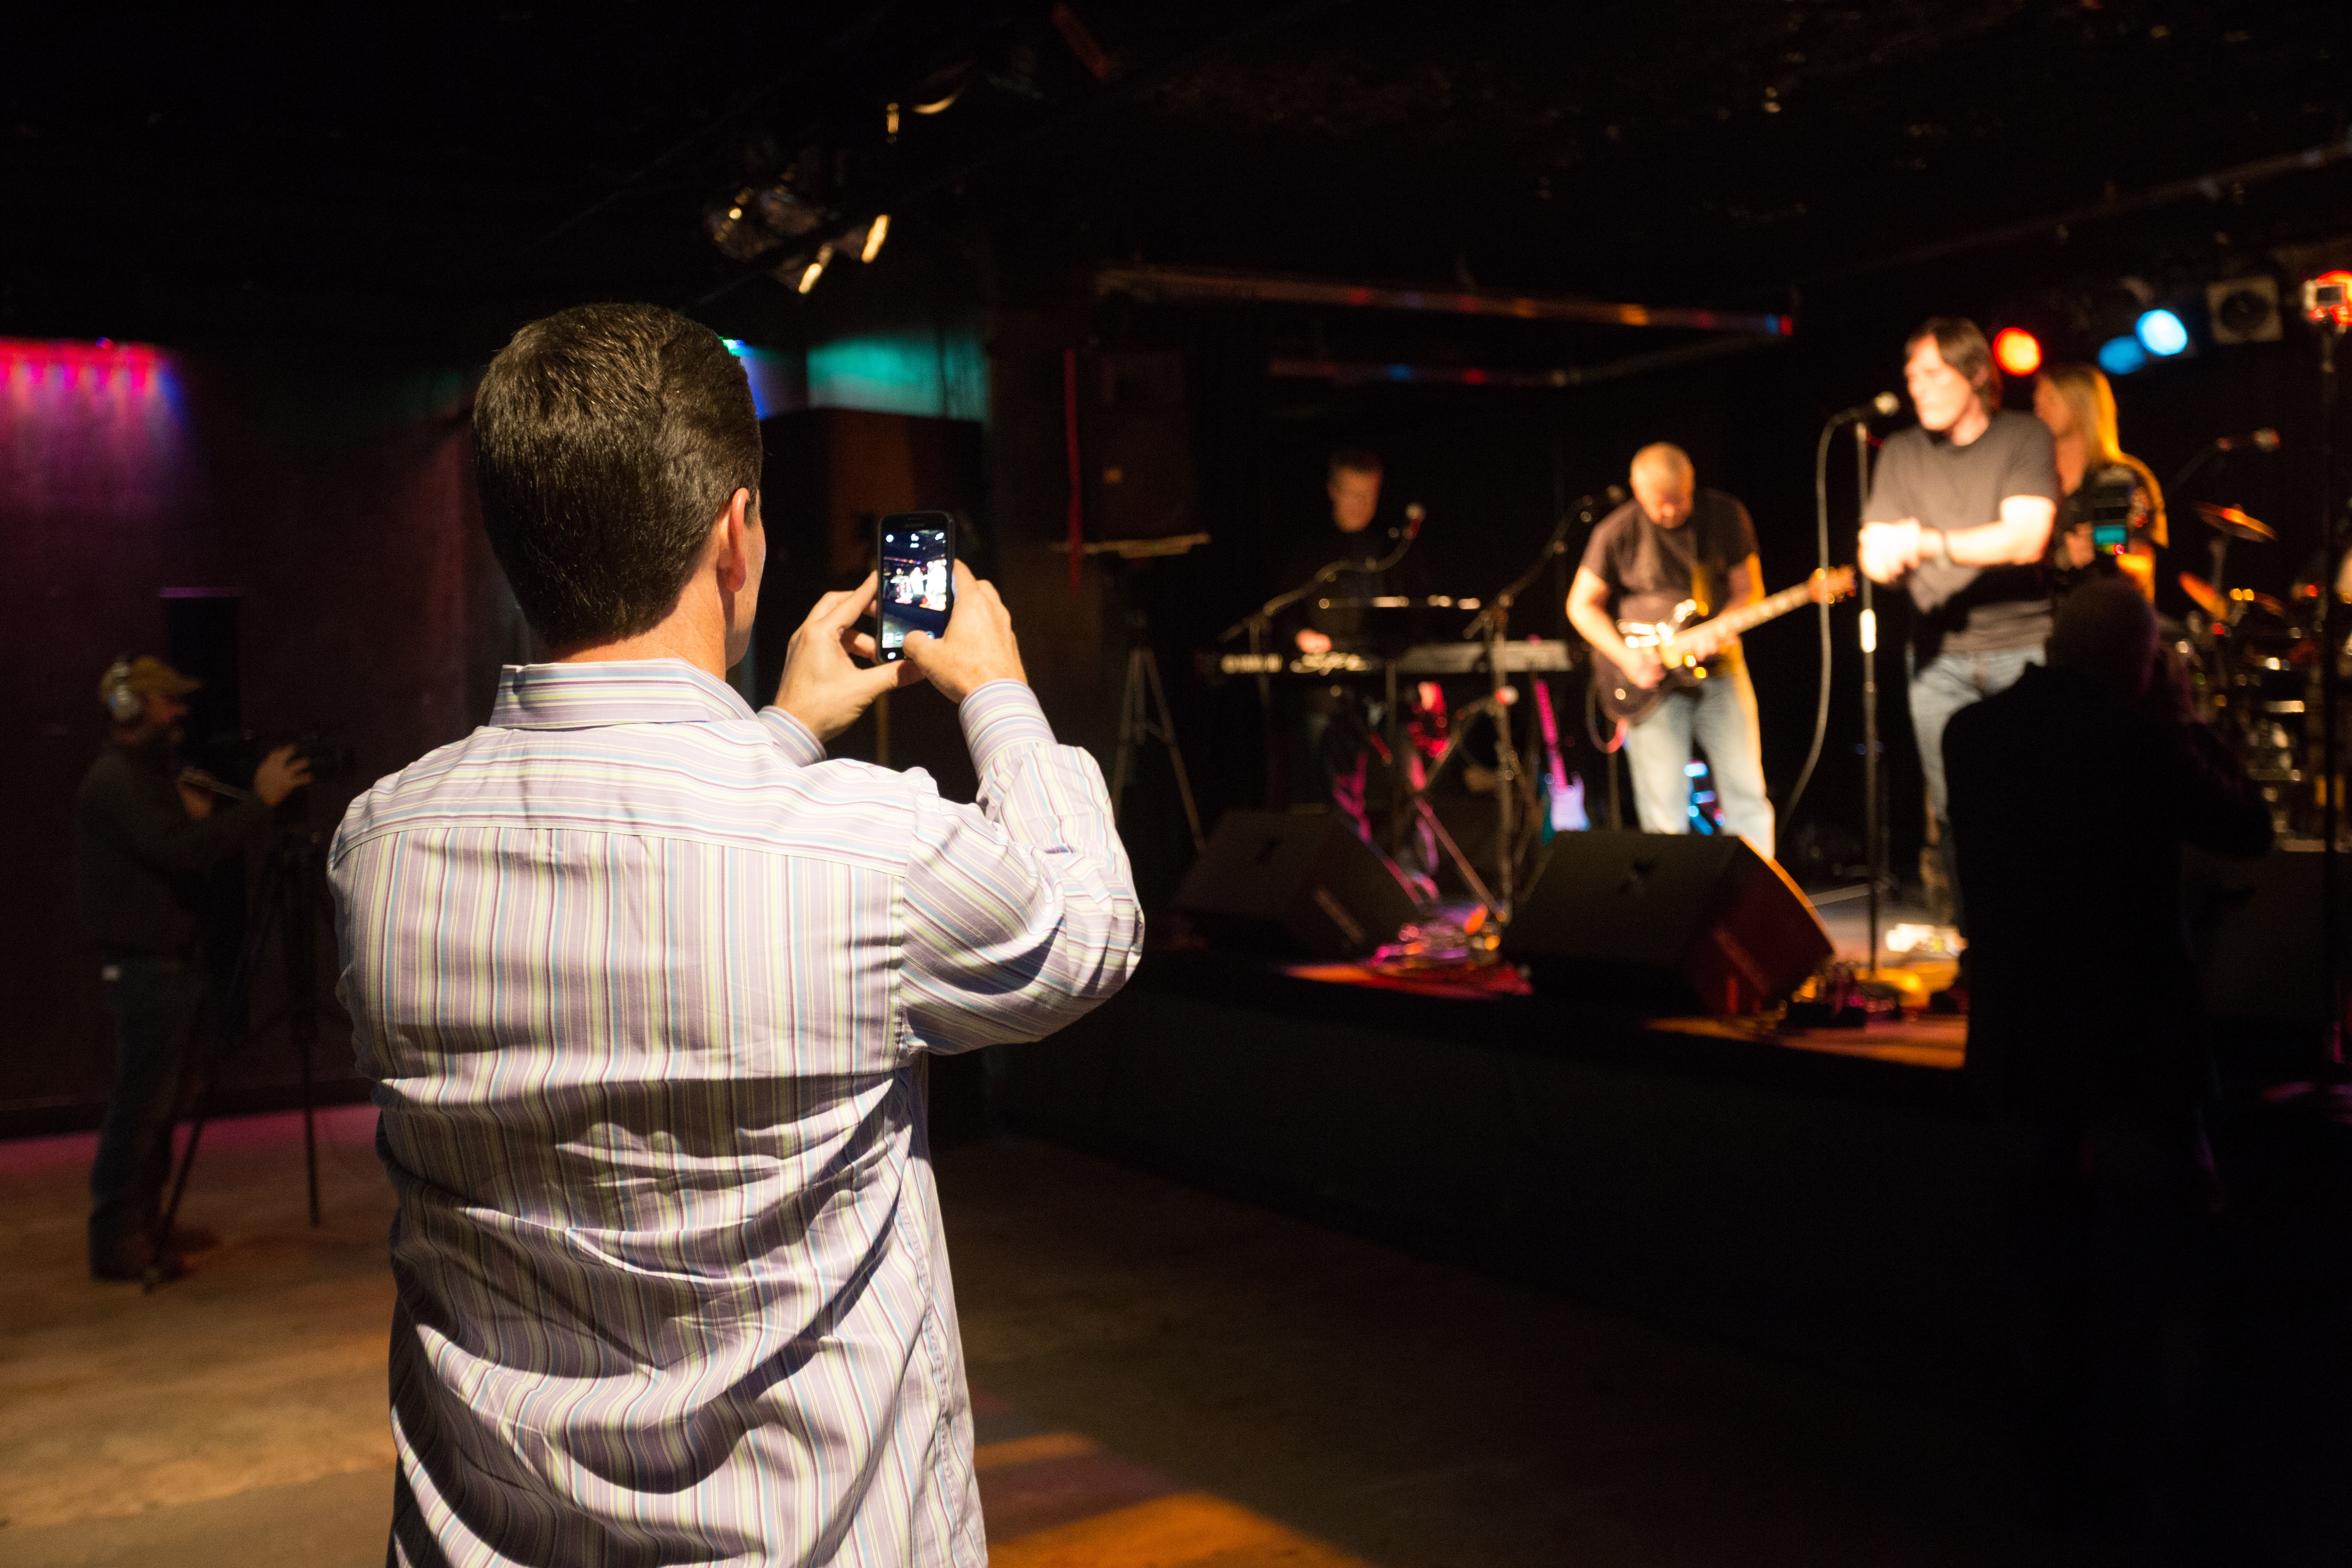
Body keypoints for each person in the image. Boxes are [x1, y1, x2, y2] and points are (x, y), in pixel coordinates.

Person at [330, 303, 1139, 1567]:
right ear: (735, 533)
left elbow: (630, 881)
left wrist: (779, 730)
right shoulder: (863, 855)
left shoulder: (381, 850)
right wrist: (999, 691)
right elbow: (1086, 924)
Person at [1943, 579, 2271, 1535]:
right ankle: (2163, 1488)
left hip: (2019, 1040)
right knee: (2160, 1266)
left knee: (2040, 1268)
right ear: (2136, 661)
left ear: (2050, 641)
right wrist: (2183, 720)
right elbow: (2243, 825)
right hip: (2131, 1043)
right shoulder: (2141, 741)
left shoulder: (1971, 736)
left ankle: (2050, 1484)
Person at [73, 655, 311, 1281]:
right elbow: (183, 852)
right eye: (168, 701)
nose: (179, 712)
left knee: (163, 1101)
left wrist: (199, 813)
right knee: (142, 1105)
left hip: (167, 966)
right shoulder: (116, 780)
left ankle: (146, 1221)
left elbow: (177, 841)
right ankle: (117, 1239)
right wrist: (258, 803)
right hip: (145, 970)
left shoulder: (143, 777)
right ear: (133, 707)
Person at [1857, 318, 2060, 948]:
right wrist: (1879, 555)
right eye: (1911, 376)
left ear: (1975, 374)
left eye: (1931, 373)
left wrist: (1928, 542)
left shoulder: (2023, 436)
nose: (1916, 387)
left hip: (2023, 653)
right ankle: (1984, 955)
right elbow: (1874, 546)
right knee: (1954, 816)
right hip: (1936, 662)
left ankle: (2042, 950)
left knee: (2034, 813)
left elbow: (2027, 537)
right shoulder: (1904, 454)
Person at [1566, 443, 1775, 860]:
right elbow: (1580, 605)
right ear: (1636, 490)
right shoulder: (1617, 530)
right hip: (1652, 683)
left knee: (1747, 791)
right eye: (1659, 504)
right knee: (1663, 806)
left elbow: (1748, 591)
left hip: (1720, 672)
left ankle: (1757, 901)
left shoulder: (1724, 516)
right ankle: (1671, 912)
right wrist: (1628, 659)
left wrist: (1722, 627)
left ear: (1692, 483)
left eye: (1678, 501)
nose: (1669, 513)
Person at [2033, 363, 2166, 604]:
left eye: (2051, 399)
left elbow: (2140, 567)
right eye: (2037, 401)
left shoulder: (2119, 479)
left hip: (2104, 623)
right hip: (2040, 625)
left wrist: (2102, 551)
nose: (2039, 410)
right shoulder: (2033, 476)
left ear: (2082, 406)